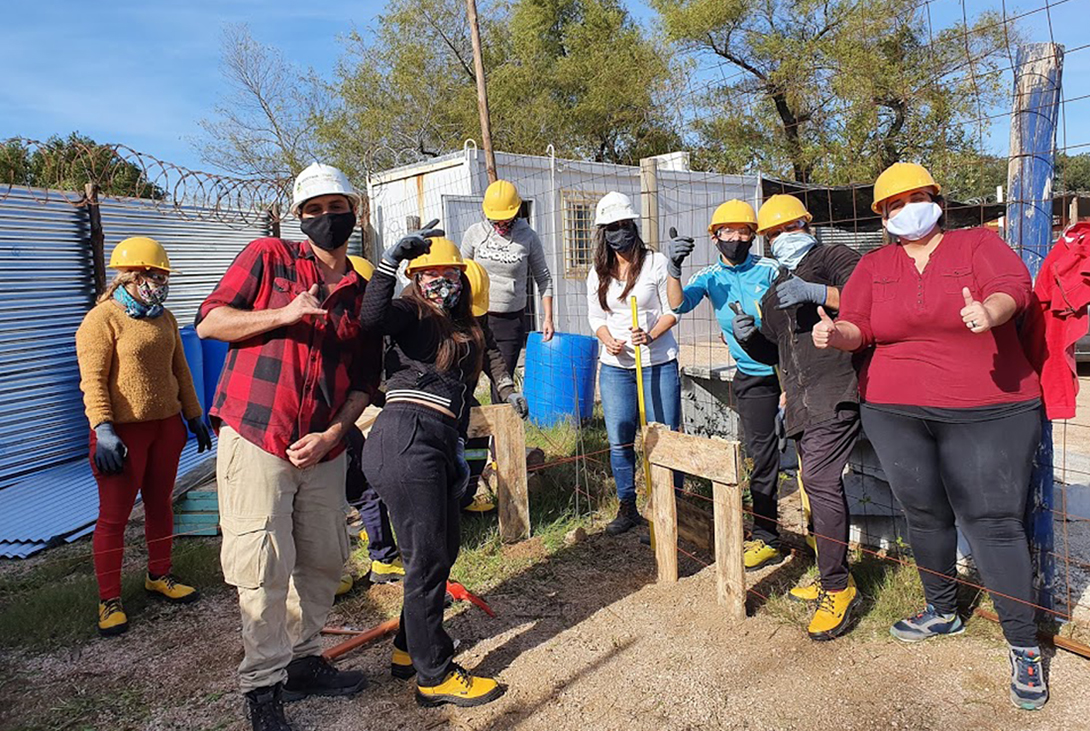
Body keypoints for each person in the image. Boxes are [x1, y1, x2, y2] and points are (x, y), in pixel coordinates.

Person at [813, 162, 1048, 710]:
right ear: (882, 216)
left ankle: (1023, 644)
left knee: (993, 522)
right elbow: (859, 325)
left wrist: (989, 312)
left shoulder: (976, 246)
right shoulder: (875, 265)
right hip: (894, 408)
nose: (904, 210)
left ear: (936, 199)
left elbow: (1014, 289)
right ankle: (942, 610)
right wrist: (835, 333)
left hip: (989, 406)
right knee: (923, 512)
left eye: (913, 198)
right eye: (892, 205)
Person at [196, 163, 382, 731]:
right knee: (263, 567)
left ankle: (302, 662)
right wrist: (285, 313)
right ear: (299, 218)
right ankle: (264, 688)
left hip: (321, 448)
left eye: (336, 207)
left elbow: (365, 381)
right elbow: (210, 323)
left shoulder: (363, 291)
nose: (327, 218)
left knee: (325, 560)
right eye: (314, 210)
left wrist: (333, 434)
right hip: (256, 436)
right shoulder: (268, 258)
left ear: (354, 211)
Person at [360, 227, 526, 708]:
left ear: (462, 275)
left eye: (448, 271)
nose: (440, 280)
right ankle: (434, 675)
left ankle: (408, 649)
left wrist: (508, 385)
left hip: (437, 439)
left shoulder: (464, 322)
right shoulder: (410, 313)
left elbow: (492, 353)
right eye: (429, 272)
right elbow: (371, 319)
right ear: (416, 277)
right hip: (406, 436)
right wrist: (389, 263)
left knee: (442, 548)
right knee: (425, 562)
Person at [733, 194, 863, 640]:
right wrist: (749, 338)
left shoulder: (834, 257)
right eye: (775, 233)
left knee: (821, 483)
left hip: (839, 390)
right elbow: (774, 350)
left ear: (806, 224)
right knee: (815, 484)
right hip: (803, 403)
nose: (784, 237)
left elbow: (868, 302)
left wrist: (818, 293)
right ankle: (834, 573)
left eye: (791, 228)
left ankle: (837, 588)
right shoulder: (774, 291)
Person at [75, 237, 213, 637]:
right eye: (156, 275)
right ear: (133, 276)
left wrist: (194, 414)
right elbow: (93, 380)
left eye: (163, 276)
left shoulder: (164, 317)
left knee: (160, 505)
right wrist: (102, 428)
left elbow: (181, 370)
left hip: (166, 427)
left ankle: (160, 575)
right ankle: (109, 599)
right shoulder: (102, 320)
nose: (161, 281)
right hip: (122, 434)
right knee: (115, 517)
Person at [665, 200, 785, 570]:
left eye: (744, 231)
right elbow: (678, 305)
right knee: (762, 457)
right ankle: (767, 536)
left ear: (754, 235)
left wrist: (790, 384)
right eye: (728, 232)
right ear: (715, 238)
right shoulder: (709, 277)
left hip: (791, 371)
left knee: (808, 456)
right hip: (752, 376)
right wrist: (673, 268)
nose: (736, 238)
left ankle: (818, 529)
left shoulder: (770, 270)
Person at [586, 191, 682, 536]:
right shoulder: (599, 270)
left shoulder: (655, 263)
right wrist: (606, 338)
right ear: (604, 232)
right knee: (620, 437)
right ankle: (628, 505)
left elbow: (674, 310)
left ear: (634, 226)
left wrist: (651, 334)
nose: (619, 233)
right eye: (612, 227)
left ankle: (673, 506)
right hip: (615, 368)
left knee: (665, 437)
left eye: (624, 225)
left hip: (657, 362)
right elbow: (595, 316)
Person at [461, 179, 554, 402]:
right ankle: (466, 433)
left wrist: (548, 318)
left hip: (509, 322)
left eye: (506, 216)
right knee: (465, 382)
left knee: (502, 386)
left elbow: (543, 277)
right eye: (496, 216)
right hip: (475, 318)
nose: (500, 221)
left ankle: (500, 435)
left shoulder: (528, 237)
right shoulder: (475, 233)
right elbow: (461, 273)